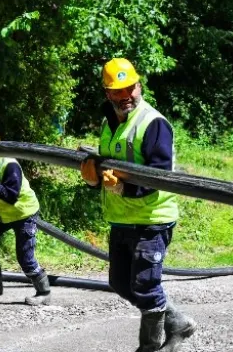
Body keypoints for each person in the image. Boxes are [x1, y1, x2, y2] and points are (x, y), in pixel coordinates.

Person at [80, 58, 196, 352]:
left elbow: (159, 177)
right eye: (119, 91)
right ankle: (177, 323)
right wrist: (94, 179)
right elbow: (109, 170)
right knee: (121, 283)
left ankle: (150, 347)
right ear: (108, 93)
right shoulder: (109, 124)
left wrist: (121, 186)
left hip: (151, 219)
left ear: (139, 85)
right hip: (121, 219)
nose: (127, 95)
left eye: (131, 88)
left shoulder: (153, 123)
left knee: (145, 285)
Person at [0, 125, 51, 305]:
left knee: (25, 257)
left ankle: (43, 292)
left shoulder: (9, 164)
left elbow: (11, 196)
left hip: (23, 213)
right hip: (2, 215)